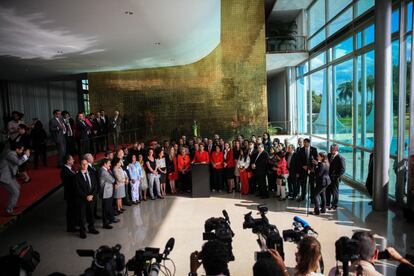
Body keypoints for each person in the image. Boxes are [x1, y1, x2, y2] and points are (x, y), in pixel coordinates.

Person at [0, 142, 30, 215]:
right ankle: (8, 210)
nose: (22, 151)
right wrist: (26, 156)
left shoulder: (13, 153)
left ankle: (12, 203)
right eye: (21, 150)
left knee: (17, 187)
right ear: (16, 149)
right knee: (15, 192)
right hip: (4, 177)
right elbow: (17, 162)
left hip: (9, 175)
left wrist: (24, 155)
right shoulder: (10, 154)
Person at [76, 158, 99, 239]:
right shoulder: (77, 176)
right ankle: (82, 231)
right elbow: (77, 189)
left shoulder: (91, 174)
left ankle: (91, 228)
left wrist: (92, 195)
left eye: (86, 164)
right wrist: (86, 196)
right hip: (82, 200)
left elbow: (95, 186)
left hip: (91, 198)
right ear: (80, 165)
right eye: (83, 164)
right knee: (82, 216)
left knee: (91, 214)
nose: (85, 166)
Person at [99, 158, 118, 229]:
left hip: (108, 191)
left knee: (109, 207)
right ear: (105, 164)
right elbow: (112, 180)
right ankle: (105, 223)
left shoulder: (105, 170)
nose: (110, 164)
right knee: (106, 209)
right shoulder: (103, 172)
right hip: (105, 193)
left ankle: (110, 219)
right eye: (109, 163)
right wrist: (114, 180)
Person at [61, 155, 78, 232]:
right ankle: (71, 227)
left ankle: (74, 224)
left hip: (73, 193)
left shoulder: (71, 168)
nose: (73, 160)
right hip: (70, 194)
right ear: (68, 161)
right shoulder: (64, 170)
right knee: (70, 211)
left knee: (74, 210)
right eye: (72, 159)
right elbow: (70, 181)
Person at [326, 144, 346, 210]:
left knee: (335, 191)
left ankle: (334, 204)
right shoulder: (329, 155)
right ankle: (327, 202)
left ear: (336, 150)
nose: (331, 150)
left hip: (335, 178)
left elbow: (342, 169)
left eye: (332, 149)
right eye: (330, 149)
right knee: (328, 190)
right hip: (328, 176)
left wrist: (336, 176)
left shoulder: (340, 158)